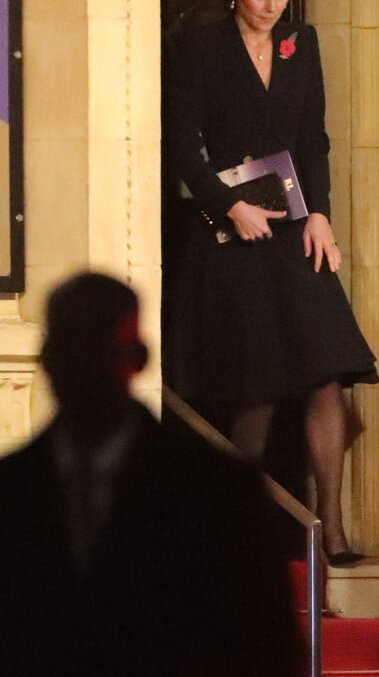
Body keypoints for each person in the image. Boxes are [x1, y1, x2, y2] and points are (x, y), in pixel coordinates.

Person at [166, 0, 379, 565]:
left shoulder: (300, 43)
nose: (271, 6)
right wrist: (226, 206)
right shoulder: (202, 45)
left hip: (293, 226)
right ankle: (238, 537)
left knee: (327, 374)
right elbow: (181, 144)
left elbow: (314, 139)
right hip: (233, 230)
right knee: (254, 388)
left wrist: (321, 215)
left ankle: (334, 533)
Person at [0, 271, 302, 676]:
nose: (84, 370)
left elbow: (264, 646)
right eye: (72, 351)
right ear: (49, 361)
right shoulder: (13, 489)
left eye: (99, 351)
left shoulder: (219, 491)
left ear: (137, 359)